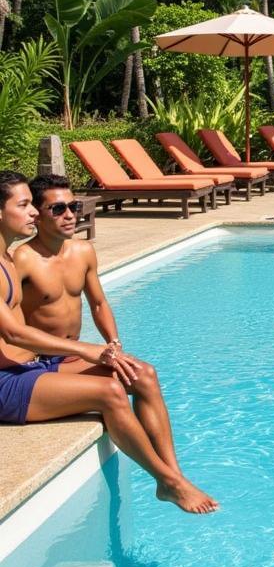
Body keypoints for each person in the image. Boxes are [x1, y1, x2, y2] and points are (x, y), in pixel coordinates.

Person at [0, 170, 216, 514]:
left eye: (73, 206)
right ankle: (168, 481)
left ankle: (173, 475)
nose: (68, 214)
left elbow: (98, 303)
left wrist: (112, 346)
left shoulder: (53, 254)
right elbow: (14, 333)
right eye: (50, 208)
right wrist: (89, 350)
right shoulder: (20, 259)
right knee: (111, 393)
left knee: (141, 373)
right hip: (21, 371)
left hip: (45, 362)